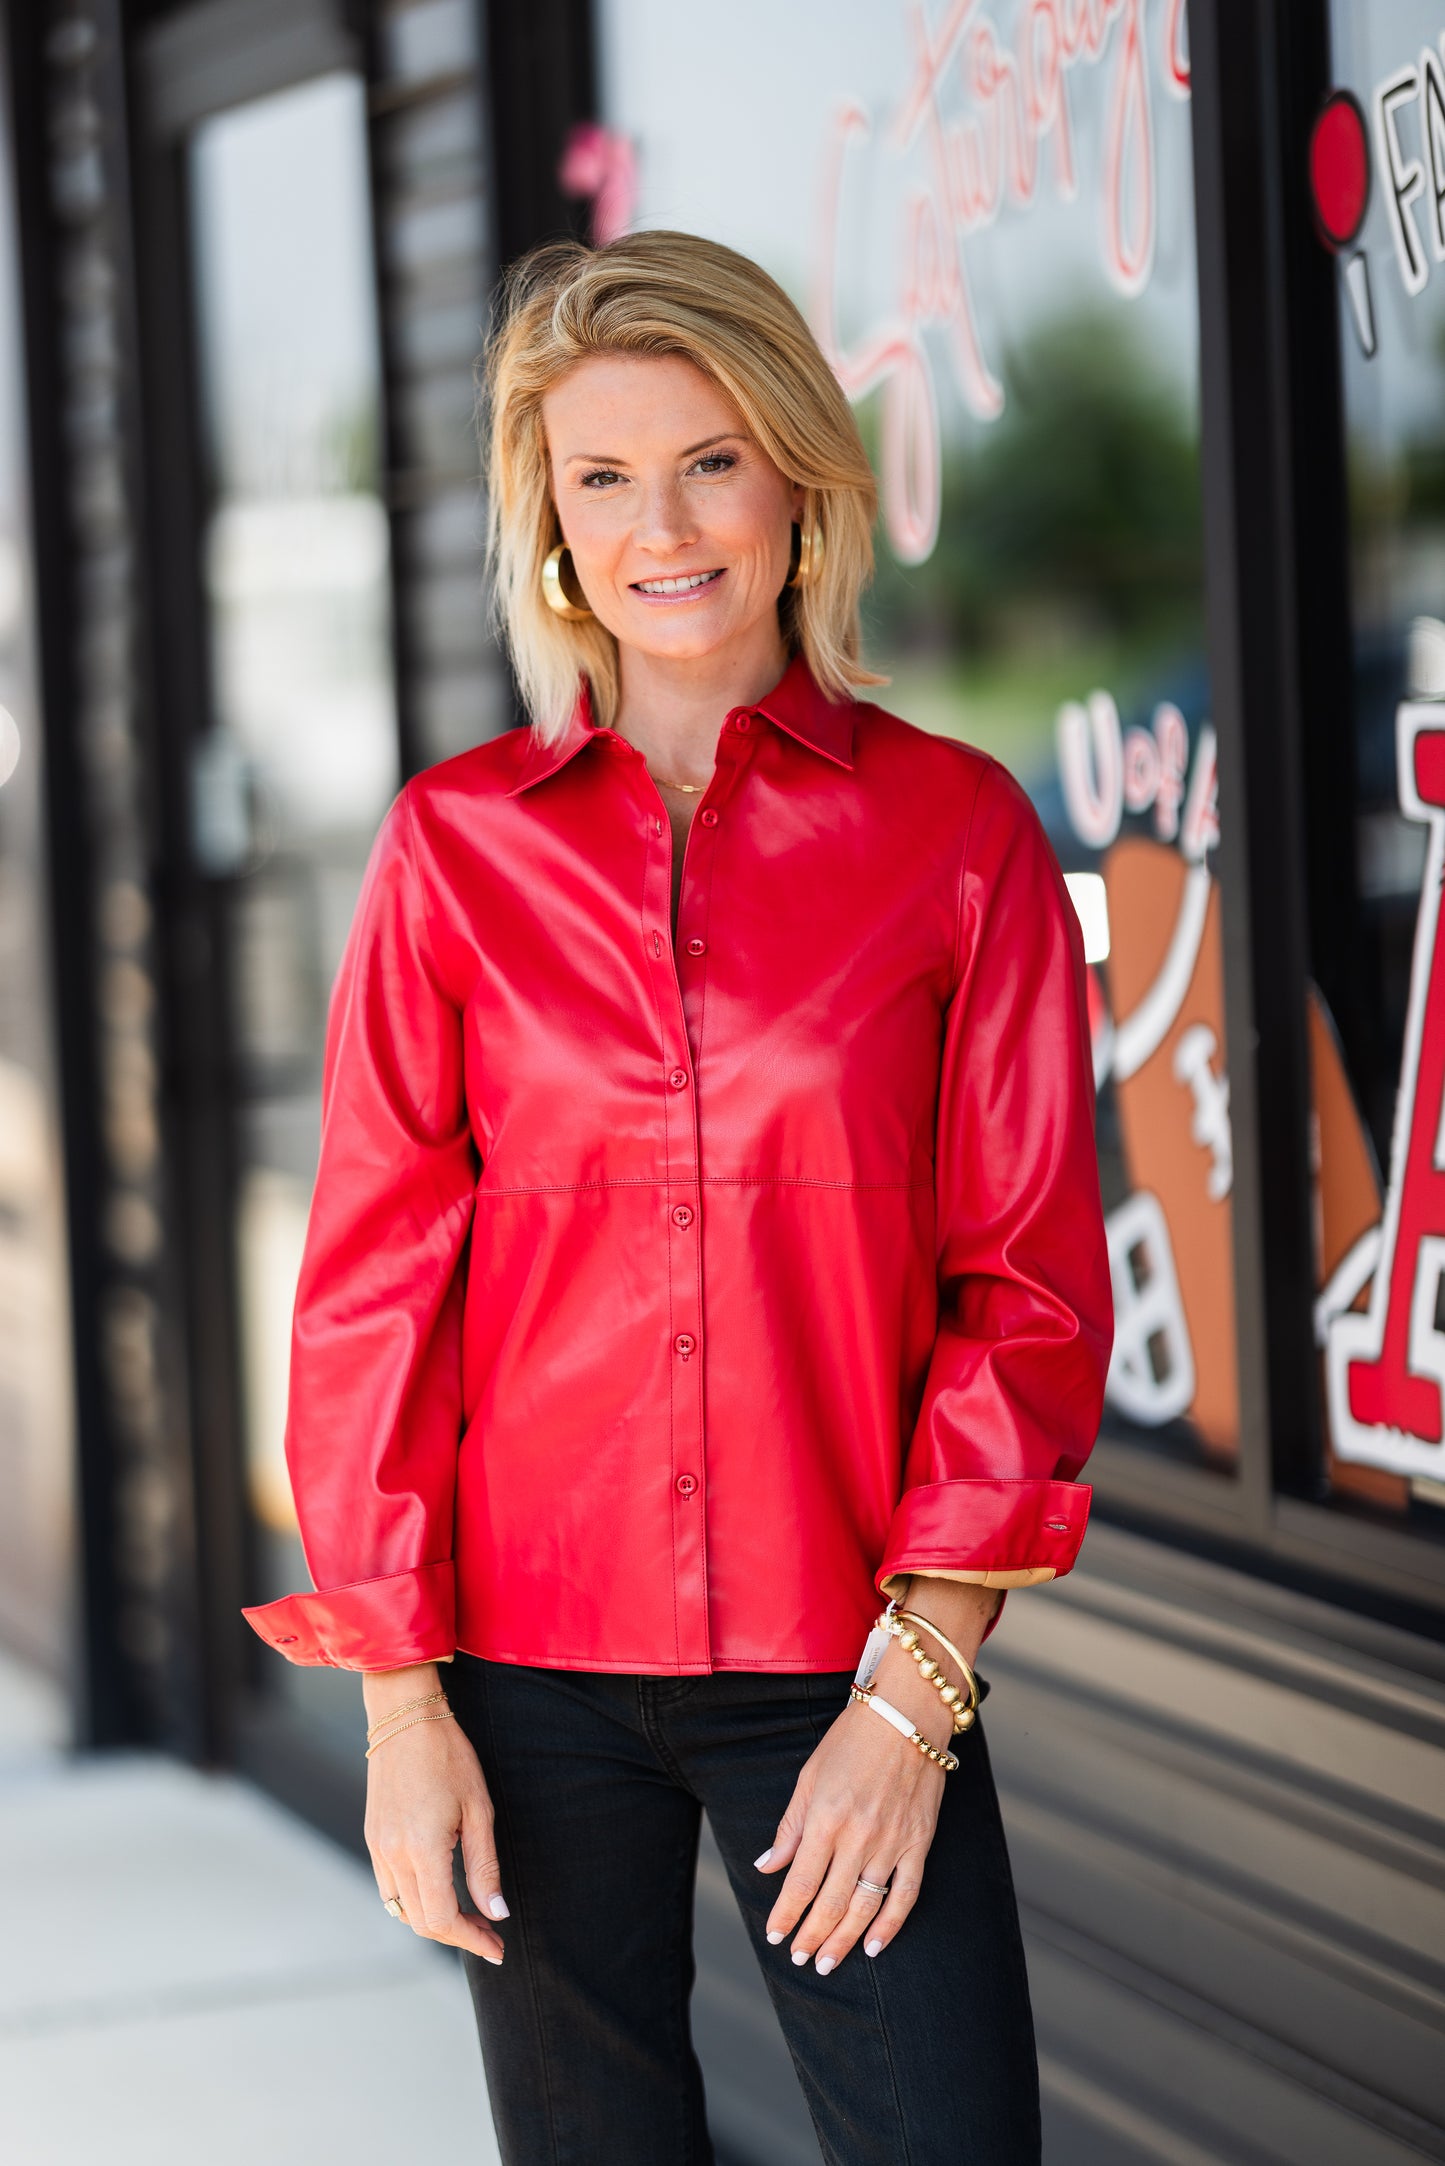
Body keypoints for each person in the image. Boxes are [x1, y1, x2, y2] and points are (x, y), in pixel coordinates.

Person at [244, 229, 1112, 2165]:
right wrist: (400, 1709)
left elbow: (1030, 1294)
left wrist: (916, 1695)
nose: (667, 528)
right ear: (550, 518)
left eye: (710, 459)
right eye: (604, 476)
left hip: (847, 1663)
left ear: (797, 470)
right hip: (523, 1683)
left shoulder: (958, 841)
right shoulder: (452, 856)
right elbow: (374, 1295)